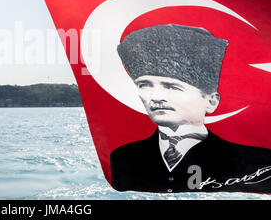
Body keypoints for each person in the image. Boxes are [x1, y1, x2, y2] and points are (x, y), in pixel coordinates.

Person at [110, 24, 271, 193]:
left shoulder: (258, 163)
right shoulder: (123, 158)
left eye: (171, 87)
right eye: (144, 85)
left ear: (211, 101)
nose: (155, 97)